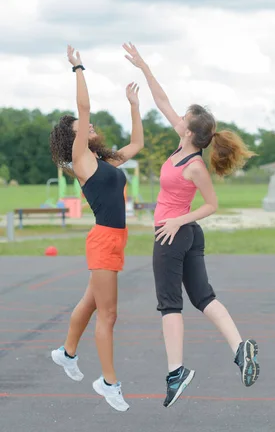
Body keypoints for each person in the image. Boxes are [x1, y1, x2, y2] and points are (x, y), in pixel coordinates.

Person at [123, 42, 260, 408]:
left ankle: (176, 372)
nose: (177, 118)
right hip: (186, 235)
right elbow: (162, 100)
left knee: (170, 306)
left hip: (174, 233)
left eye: (182, 118)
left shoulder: (194, 164)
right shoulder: (185, 146)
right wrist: (145, 67)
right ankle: (239, 347)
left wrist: (177, 219)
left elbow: (212, 204)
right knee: (204, 297)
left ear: (187, 131)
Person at [49, 45, 144, 412]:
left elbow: (136, 143)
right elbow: (84, 108)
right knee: (109, 315)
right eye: (81, 127)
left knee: (90, 304)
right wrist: (79, 68)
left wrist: (134, 106)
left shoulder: (105, 160)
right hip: (104, 239)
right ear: (74, 137)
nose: (89, 125)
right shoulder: (81, 159)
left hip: (114, 240)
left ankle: (66, 353)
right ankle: (108, 383)